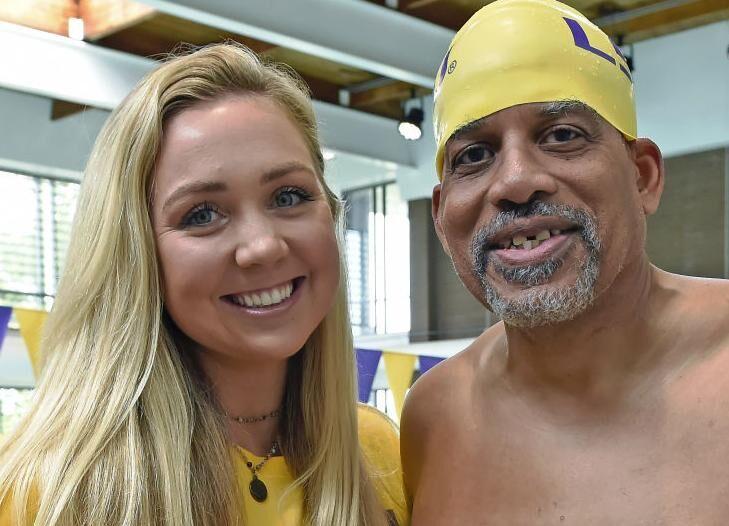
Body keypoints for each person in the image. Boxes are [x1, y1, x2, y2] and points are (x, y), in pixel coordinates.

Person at [0, 43, 408, 526]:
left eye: (289, 196)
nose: (262, 246)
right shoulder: (52, 491)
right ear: (135, 253)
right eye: (202, 214)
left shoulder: (378, 453)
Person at [401, 0, 729, 523]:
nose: (514, 181)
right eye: (474, 155)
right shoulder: (432, 418)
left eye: (561, 136)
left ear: (642, 175)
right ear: (441, 217)